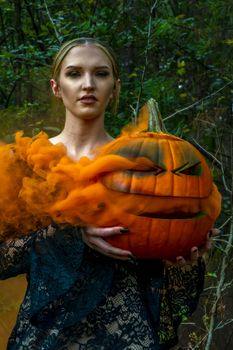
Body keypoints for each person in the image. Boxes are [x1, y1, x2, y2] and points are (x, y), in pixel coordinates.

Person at [0, 37, 215, 350]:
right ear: (56, 87)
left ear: (115, 86)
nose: (88, 84)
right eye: (74, 74)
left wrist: (184, 254)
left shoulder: (147, 164)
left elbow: (164, 264)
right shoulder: (25, 163)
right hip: (46, 338)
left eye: (100, 74)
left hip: (128, 335)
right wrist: (71, 236)